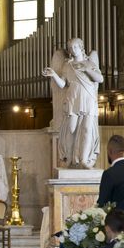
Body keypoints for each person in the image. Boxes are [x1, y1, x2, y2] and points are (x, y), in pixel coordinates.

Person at [43, 38, 104, 169]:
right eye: (70, 48)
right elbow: (63, 84)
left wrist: (86, 69)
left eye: (75, 47)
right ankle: (69, 159)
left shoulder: (89, 63)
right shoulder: (67, 65)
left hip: (87, 98)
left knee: (87, 129)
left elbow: (100, 78)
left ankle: (84, 160)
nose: (72, 50)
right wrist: (53, 74)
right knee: (71, 129)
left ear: (81, 47)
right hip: (73, 97)